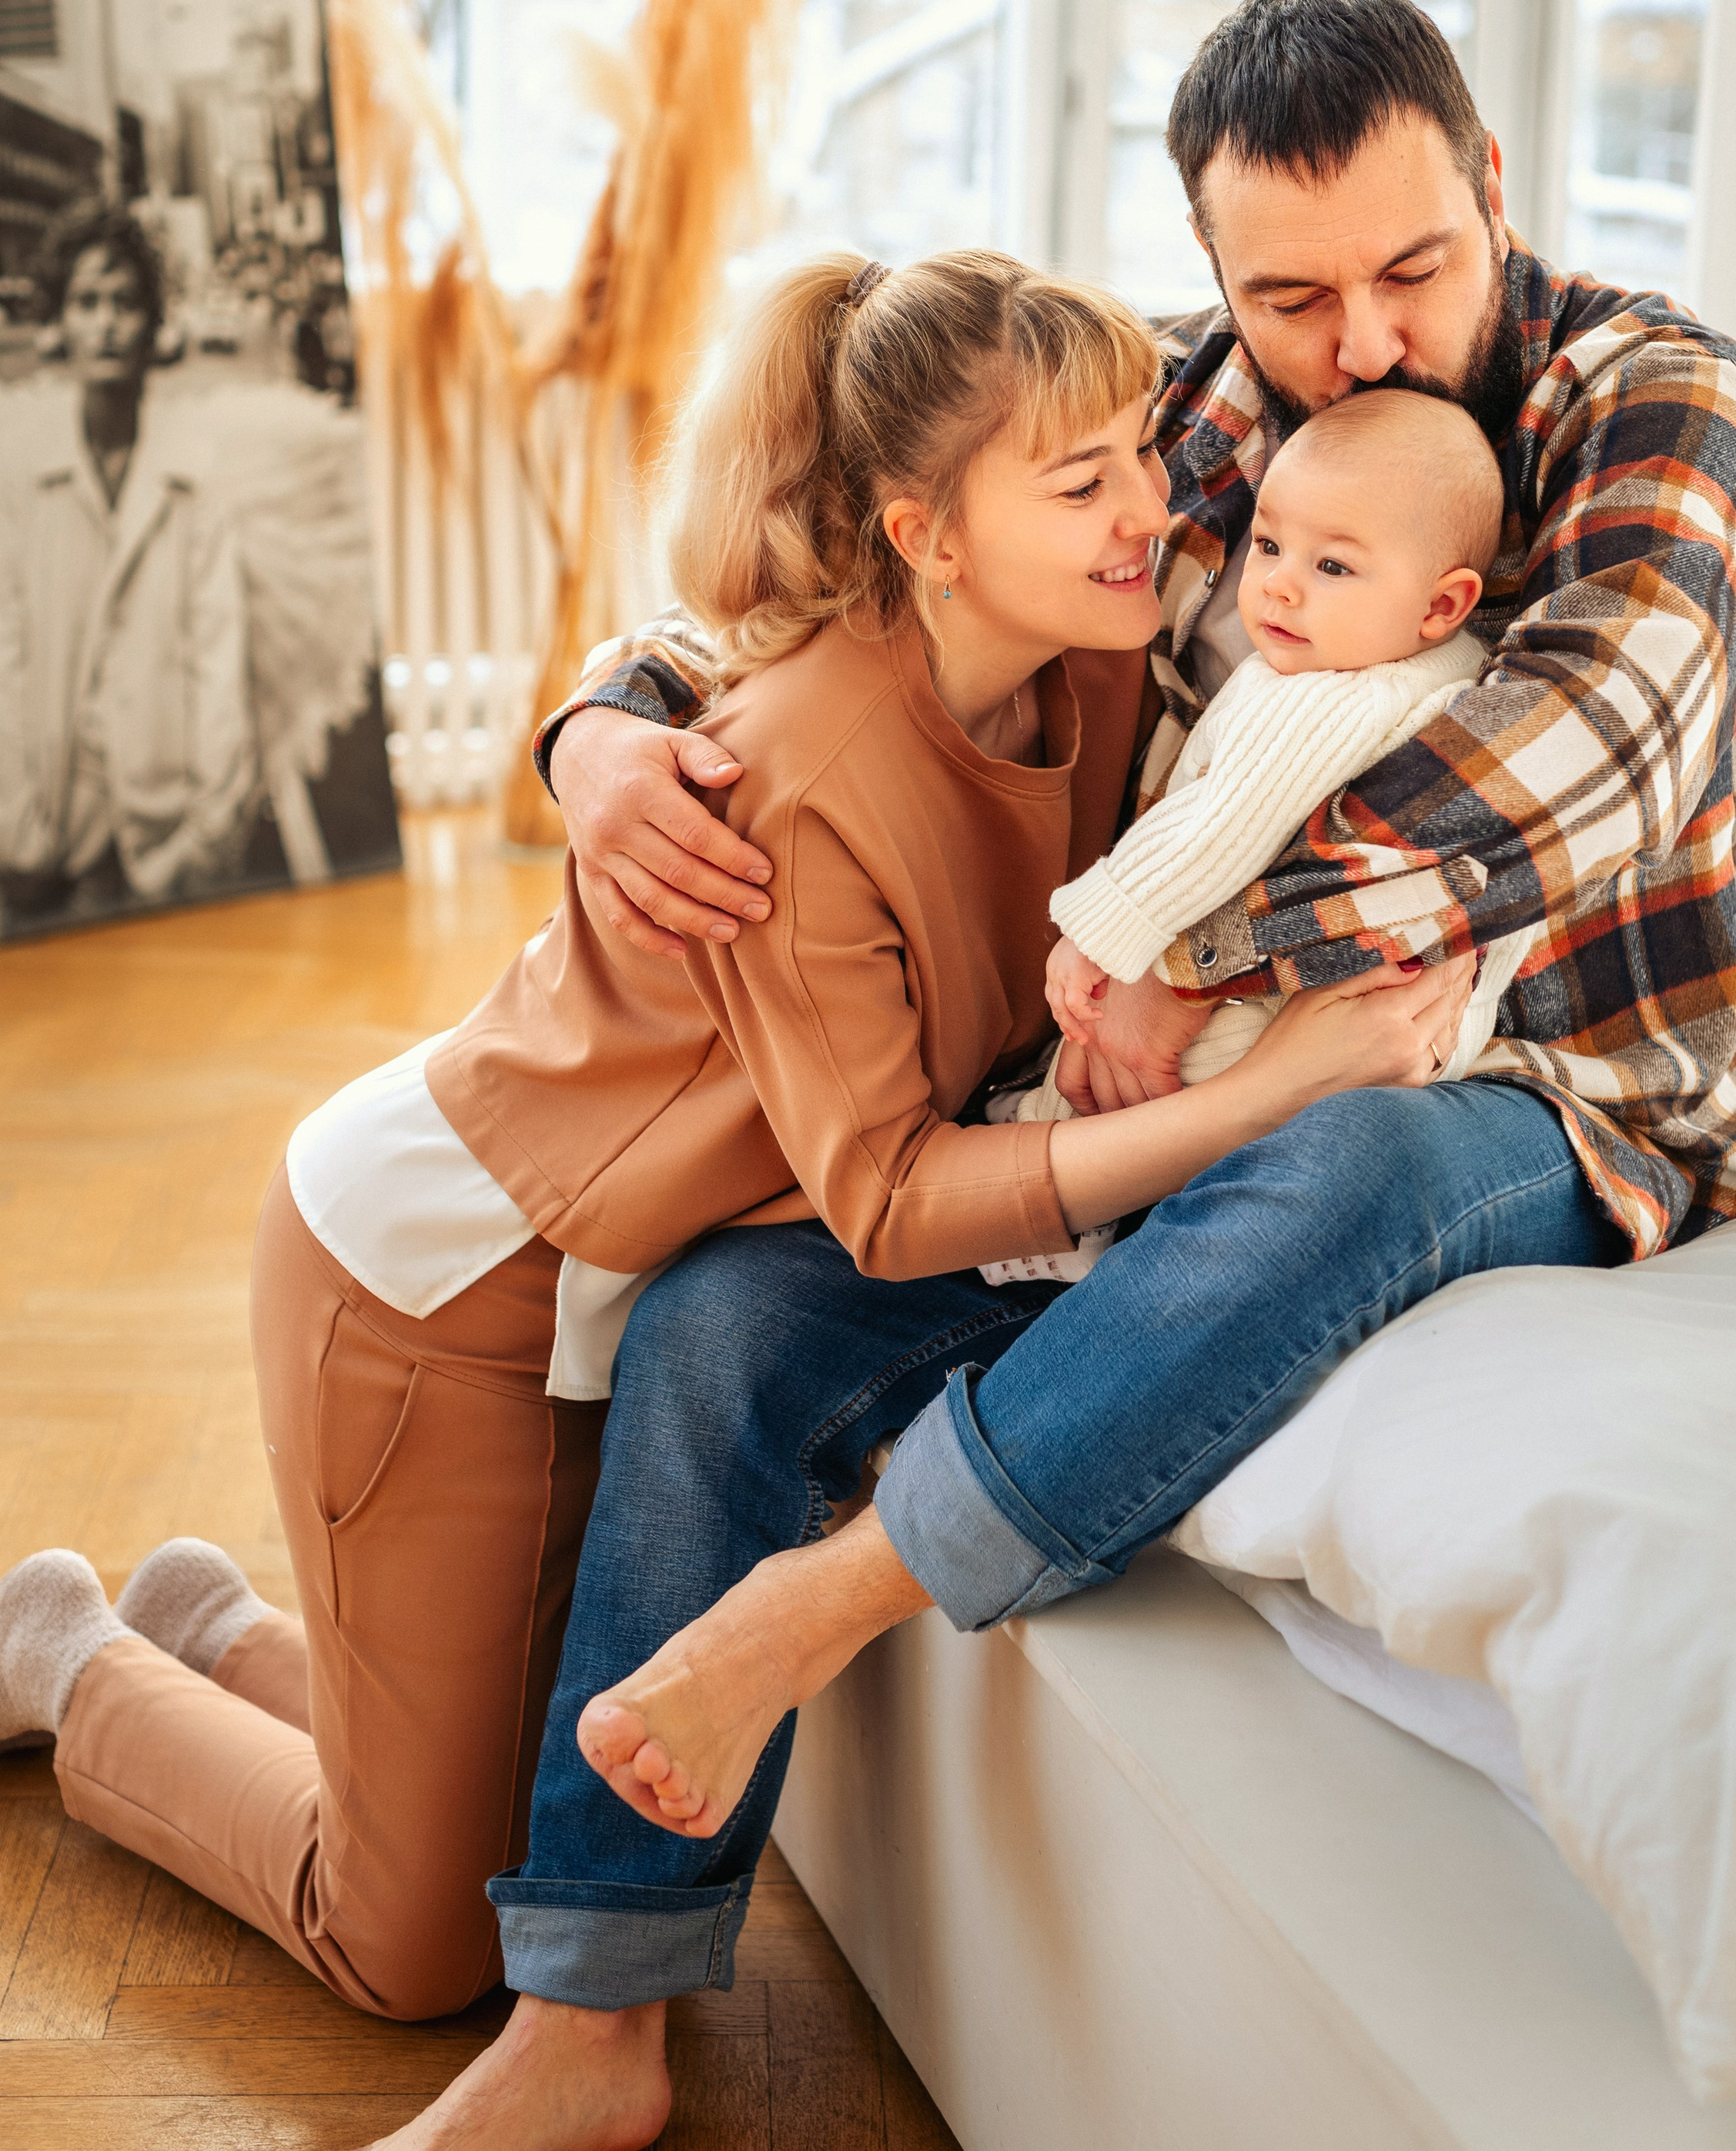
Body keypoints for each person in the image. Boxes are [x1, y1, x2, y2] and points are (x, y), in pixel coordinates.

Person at [377, 0, 1736, 2149]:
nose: (1370, 343)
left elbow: (1564, 771)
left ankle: (838, 1593)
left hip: (1565, 1085)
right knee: (736, 1311)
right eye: (1291, 297)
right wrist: (610, 720)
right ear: (1221, 279)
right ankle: (594, 2011)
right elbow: (895, 536)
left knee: (1351, 1166)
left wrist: (1181, 936)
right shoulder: (1205, 408)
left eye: (1416, 268)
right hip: (1150, 1071)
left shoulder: (1658, 403)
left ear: (1495, 190)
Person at [0, 248, 1469, 2052]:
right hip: (439, 1288)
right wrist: (1252, 1101)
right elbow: (890, 1201)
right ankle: (71, 1659)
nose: (1151, 516)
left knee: (522, 1811)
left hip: (617, 1271)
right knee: (415, 1955)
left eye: (1143, 459)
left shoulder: (1097, 666)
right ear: (925, 534)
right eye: (1082, 484)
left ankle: (209, 1627)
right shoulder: (797, 768)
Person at [980, 386, 1533, 1286]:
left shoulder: (1329, 698)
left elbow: (1216, 829)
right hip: (1397, 1028)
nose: (1276, 581)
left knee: (1101, 1088)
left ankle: (1051, 1223)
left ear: (1441, 603)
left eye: (1333, 567)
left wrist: (1100, 927)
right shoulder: (1447, 672)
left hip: (1270, 1020)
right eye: (1271, 544)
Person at [0, 200, 259, 924]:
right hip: (55, 833)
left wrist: (206, 839)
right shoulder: (24, 480)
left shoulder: (195, 480)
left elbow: (219, 660)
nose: (107, 322)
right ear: (59, 322)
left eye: (125, 302)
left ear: (154, 326)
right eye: (87, 303)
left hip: (168, 838)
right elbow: (8, 655)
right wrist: (17, 826)